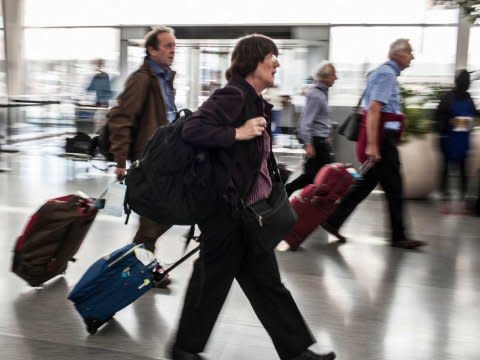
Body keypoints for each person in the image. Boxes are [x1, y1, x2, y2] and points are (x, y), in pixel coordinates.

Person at [170, 34, 336, 360]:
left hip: (247, 215)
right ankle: (184, 349)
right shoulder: (232, 94)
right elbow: (192, 130)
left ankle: (297, 351)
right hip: (226, 214)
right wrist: (237, 132)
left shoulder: (255, 99)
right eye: (271, 56)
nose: (277, 63)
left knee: (266, 284)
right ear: (253, 60)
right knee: (211, 282)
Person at [322, 38, 426, 250]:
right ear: (398, 54)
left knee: (365, 184)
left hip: (382, 139)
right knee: (394, 187)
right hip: (381, 141)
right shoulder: (387, 74)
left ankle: (333, 220)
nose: (412, 57)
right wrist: (373, 145)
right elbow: (374, 110)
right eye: (410, 52)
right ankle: (399, 236)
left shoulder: (383, 73)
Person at [108, 25, 177, 286]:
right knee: (152, 220)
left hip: (167, 158)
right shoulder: (142, 80)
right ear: (151, 49)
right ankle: (138, 270)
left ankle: (140, 264)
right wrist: (120, 161)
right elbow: (120, 119)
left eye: (174, 46)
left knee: (166, 214)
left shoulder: (165, 78)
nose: (172, 51)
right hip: (148, 162)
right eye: (167, 46)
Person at [285, 61, 337, 196]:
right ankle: (285, 194)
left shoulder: (321, 93)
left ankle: (292, 197)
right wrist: (308, 144)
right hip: (316, 142)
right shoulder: (316, 94)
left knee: (317, 176)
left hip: (320, 141)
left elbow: (319, 120)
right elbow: (306, 122)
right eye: (333, 75)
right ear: (325, 77)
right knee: (318, 176)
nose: (336, 78)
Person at [434, 69, 479, 205]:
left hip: (462, 138)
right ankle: (447, 193)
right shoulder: (448, 97)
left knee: (459, 166)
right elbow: (438, 116)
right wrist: (449, 121)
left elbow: (474, 113)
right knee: (449, 166)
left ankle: (460, 193)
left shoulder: (467, 97)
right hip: (449, 137)